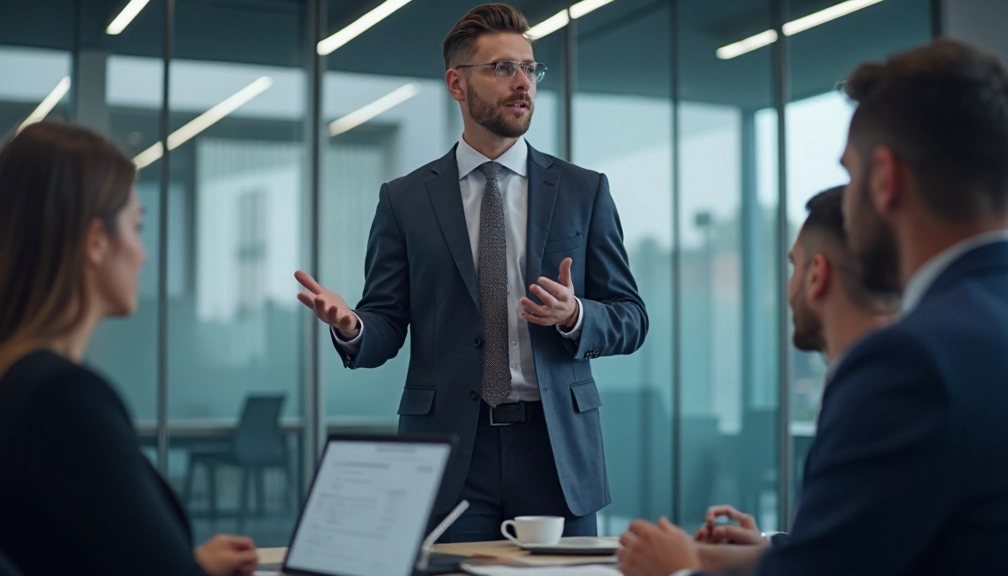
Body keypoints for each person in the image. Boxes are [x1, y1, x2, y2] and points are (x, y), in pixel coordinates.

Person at [618, 38, 1008, 576]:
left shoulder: (908, 360)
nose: (845, 199)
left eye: (849, 175)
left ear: (884, 179)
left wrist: (679, 571)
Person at [295, 3, 647, 542]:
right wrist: (353, 327)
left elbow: (631, 317)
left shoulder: (583, 190)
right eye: (502, 68)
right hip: (450, 454)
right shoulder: (405, 199)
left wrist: (575, 315)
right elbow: (386, 323)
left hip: (556, 451)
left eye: (530, 68)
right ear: (457, 84)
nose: (522, 82)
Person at [0, 122, 259, 576]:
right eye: (137, 226)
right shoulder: (61, 400)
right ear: (95, 241)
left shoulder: (4, 380)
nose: (142, 253)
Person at [693, 185, 899, 548]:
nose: (789, 287)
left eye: (793, 265)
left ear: (817, 274)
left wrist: (681, 567)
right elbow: (851, 550)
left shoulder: (878, 393)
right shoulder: (880, 378)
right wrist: (768, 552)